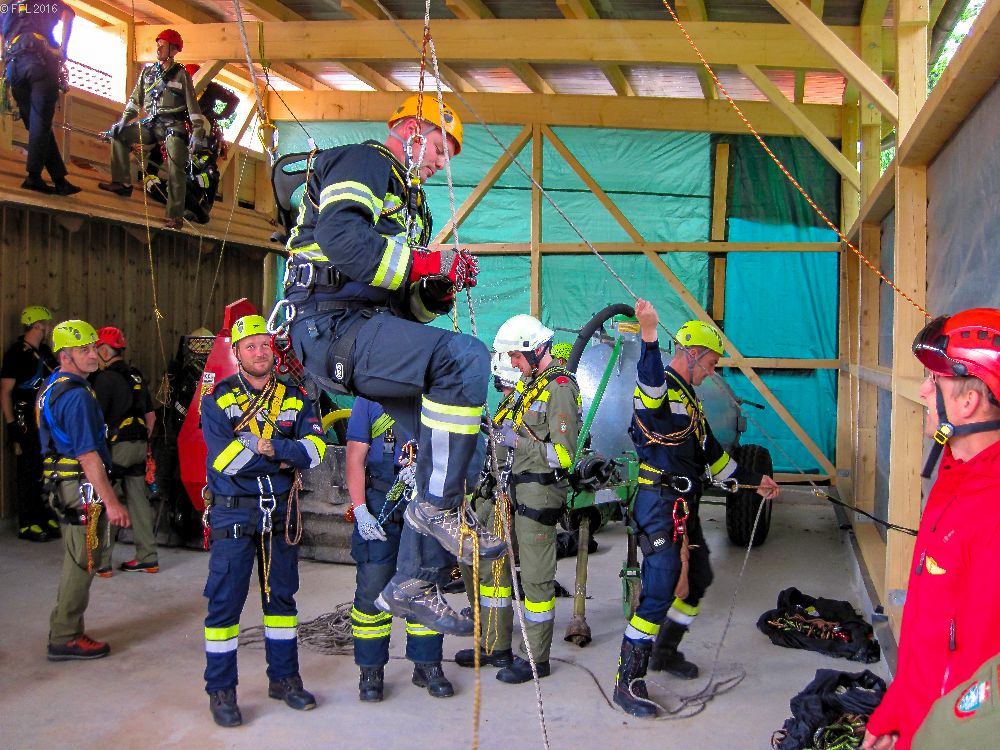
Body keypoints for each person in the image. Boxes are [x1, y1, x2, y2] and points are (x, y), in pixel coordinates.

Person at [280, 93, 503, 636]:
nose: (440, 163)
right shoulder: (365, 161)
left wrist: (435, 290)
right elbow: (342, 238)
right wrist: (427, 262)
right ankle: (437, 513)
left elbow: (402, 303)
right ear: (411, 128)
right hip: (327, 324)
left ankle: (414, 582)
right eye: (440, 148)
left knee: (464, 453)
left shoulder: (412, 206)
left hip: (367, 329)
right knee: (465, 357)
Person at [612, 300, 779, 717]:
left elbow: (715, 459)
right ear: (693, 354)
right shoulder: (660, 390)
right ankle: (627, 681)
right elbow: (650, 386)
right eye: (711, 363)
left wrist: (755, 481)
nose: (712, 372)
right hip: (658, 504)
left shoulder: (691, 404)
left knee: (699, 577)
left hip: (684, 504)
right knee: (659, 589)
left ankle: (664, 651)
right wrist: (649, 335)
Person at [862, 308, 1000, 750]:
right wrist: (896, 712)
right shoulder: (955, 473)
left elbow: (979, 688)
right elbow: (934, 631)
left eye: (933, 380)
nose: (922, 390)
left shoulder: (992, 514)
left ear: (968, 402)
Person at [200, 314, 327, 728]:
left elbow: (316, 451)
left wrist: (271, 448)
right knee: (225, 602)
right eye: (249, 346)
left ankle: (285, 679)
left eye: (264, 345)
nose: (259, 352)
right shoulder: (217, 400)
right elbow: (226, 460)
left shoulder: (296, 397)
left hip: (280, 512)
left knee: (282, 601)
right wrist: (285, 458)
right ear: (237, 354)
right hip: (234, 510)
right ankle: (221, 690)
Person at [469, 314, 582, 684]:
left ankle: (535, 658)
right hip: (509, 490)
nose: (513, 363)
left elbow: (564, 456)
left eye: (516, 356)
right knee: (495, 570)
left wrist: (517, 443)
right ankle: (495, 645)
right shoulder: (528, 388)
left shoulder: (560, 388)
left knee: (535, 580)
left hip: (538, 494)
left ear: (536, 350)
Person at [347, 396, 456, 702]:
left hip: (424, 502)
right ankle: (370, 671)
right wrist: (360, 509)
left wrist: (427, 472)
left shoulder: (435, 394)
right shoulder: (368, 399)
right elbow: (355, 456)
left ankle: (427, 664)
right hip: (380, 499)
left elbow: (453, 450)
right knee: (372, 591)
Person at [37, 320, 130, 661]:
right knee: (84, 561)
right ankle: (65, 636)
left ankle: (67, 629)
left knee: (77, 558)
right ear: (65, 356)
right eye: (84, 350)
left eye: (93, 348)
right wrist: (112, 502)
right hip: (80, 489)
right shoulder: (76, 397)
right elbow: (88, 455)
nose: (94, 355)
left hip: (63, 485)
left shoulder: (52, 386)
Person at [454, 351, 523, 672]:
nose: (500, 387)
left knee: (494, 572)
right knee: (467, 559)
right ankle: (484, 635)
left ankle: (498, 647)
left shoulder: (524, 404)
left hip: (504, 497)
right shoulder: (508, 404)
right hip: (486, 492)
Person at [98, 29, 208, 230]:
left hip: (173, 126)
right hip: (152, 124)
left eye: (162, 45)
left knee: (176, 168)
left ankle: (175, 215)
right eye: (158, 45)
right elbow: (134, 101)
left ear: (173, 50)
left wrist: (197, 133)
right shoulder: (147, 73)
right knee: (120, 134)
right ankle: (122, 183)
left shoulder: (182, 75)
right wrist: (122, 122)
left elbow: (193, 107)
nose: (158, 49)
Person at [89, 327, 158, 576]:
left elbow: (95, 419)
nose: (93, 355)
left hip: (118, 448)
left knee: (107, 499)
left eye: (95, 350)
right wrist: (142, 442)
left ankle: (102, 562)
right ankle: (148, 557)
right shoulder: (135, 376)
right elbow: (151, 416)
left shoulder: (104, 379)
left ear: (106, 352)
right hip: (139, 445)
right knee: (138, 501)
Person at [0, 1, 80, 195]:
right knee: (40, 122)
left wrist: (4, 58)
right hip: (39, 61)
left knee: (37, 123)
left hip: (14, 66)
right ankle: (33, 177)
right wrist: (63, 50)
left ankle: (59, 180)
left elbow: (1, 36)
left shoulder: (7, 7)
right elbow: (68, 15)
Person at [2, 305, 59, 541]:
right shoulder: (16, 353)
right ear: (37, 325)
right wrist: (11, 424)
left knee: (45, 468)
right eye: (46, 324)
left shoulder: (45, 352)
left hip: (46, 418)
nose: (49, 328)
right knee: (28, 469)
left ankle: (45, 515)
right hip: (25, 417)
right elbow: (5, 391)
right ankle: (28, 523)